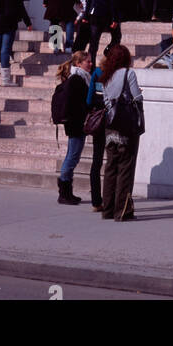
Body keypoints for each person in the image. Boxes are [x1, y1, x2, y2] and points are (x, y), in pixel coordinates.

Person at [100, 44, 143, 222]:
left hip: (110, 126)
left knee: (111, 167)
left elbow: (106, 100)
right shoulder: (128, 73)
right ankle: (122, 210)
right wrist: (140, 94)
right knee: (126, 167)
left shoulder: (106, 76)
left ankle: (107, 209)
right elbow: (136, 97)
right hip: (126, 126)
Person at [55, 49, 92, 205]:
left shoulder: (78, 77)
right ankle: (64, 192)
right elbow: (75, 103)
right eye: (87, 61)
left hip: (75, 122)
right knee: (72, 157)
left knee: (72, 155)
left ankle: (66, 192)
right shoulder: (77, 79)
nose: (90, 64)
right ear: (78, 63)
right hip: (76, 123)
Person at [86, 0, 122, 67]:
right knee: (116, 37)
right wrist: (115, 18)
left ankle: (91, 65)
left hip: (95, 14)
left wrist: (86, 15)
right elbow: (114, 1)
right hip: (107, 15)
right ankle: (108, 51)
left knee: (94, 43)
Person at [86, 49, 108, 212]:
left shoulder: (97, 72)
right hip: (113, 120)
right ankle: (111, 198)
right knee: (114, 161)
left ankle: (96, 201)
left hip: (98, 119)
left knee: (97, 160)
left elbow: (88, 98)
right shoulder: (116, 73)